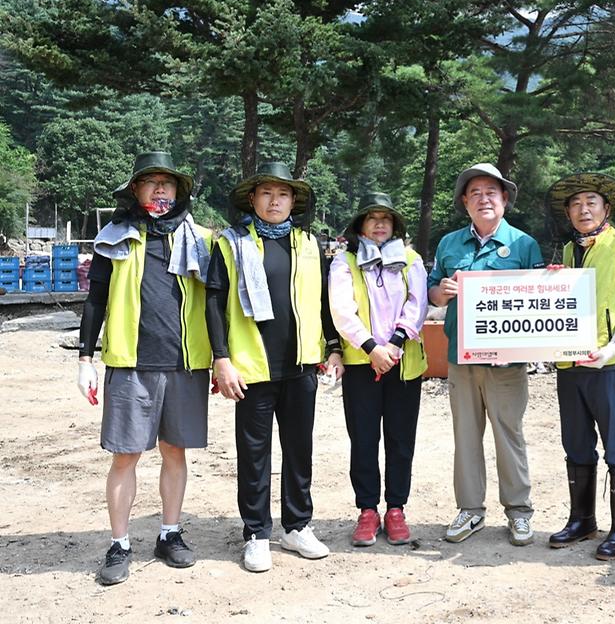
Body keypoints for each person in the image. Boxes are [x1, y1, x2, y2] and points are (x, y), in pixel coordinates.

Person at [77, 151, 214, 586]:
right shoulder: (114, 237)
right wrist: (85, 359)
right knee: (125, 456)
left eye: (167, 183)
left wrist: (224, 357)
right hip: (130, 362)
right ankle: (119, 544)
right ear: (136, 190)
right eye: (151, 182)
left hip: (184, 364)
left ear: (178, 191)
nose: (160, 190)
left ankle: (169, 533)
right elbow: (96, 300)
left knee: (175, 452)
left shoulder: (201, 240)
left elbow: (218, 302)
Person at [205, 162, 344, 573]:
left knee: (300, 449)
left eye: (283, 194)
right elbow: (213, 303)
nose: (274, 201)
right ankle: (256, 533)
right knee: (254, 454)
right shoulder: (231, 244)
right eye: (266, 193)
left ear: (293, 201)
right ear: (252, 199)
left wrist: (333, 347)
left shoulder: (308, 244)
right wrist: (221, 358)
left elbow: (323, 301)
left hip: (300, 365)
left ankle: (297, 526)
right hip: (251, 367)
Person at [428, 163, 544, 546]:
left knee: (509, 435)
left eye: (491, 192)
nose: (483, 199)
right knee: (465, 436)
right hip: (461, 359)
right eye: (475, 193)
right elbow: (432, 292)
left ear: (504, 199)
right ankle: (470, 510)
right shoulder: (449, 244)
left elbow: (540, 300)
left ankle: (519, 512)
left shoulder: (524, 245)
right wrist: (441, 292)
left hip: (507, 363)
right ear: (465, 202)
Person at [545, 173, 615, 559]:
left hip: (608, 364)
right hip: (569, 364)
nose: (583, 209)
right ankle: (582, 519)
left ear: (606, 209)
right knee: (575, 443)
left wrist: (613, 347)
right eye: (575, 204)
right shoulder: (568, 251)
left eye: (591, 202)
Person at [328, 193, 428, 547]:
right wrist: (372, 347)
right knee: (364, 439)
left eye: (386, 218)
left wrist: (395, 343)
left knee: (401, 440)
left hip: (403, 364)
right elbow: (342, 310)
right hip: (362, 364)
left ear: (395, 225)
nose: (380, 224)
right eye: (372, 218)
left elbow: (418, 303)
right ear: (361, 226)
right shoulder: (345, 261)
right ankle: (368, 510)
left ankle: (396, 508)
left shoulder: (411, 260)